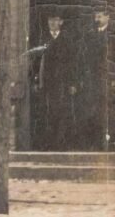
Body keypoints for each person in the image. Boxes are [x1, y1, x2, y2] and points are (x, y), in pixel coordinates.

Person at [37, 13, 78, 150]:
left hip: (62, 82)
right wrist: (37, 80)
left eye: (55, 20)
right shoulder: (42, 38)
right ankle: (48, 143)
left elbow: (72, 63)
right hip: (46, 82)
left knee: (62, 111)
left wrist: (73, 83)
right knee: (47, 111)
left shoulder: (67, 39)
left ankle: (61, 143)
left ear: (61, 22)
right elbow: (36, 61)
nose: (52, 23)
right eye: (50, 20)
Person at [82, 8, 112, 150]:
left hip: (109, 80)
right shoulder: (90, 35)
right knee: (94, 111)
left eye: (99, 16)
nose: (96, 20)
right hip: (93, 81)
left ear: (108, 17)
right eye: (95, 17)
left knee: (109, 111)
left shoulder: (112, 35)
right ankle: (95, 144)